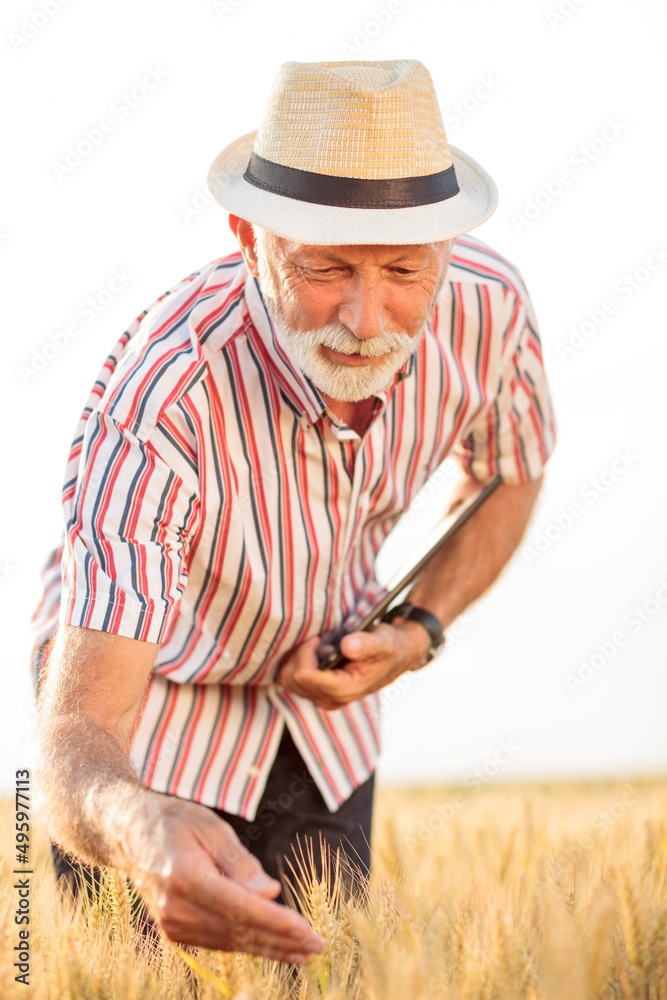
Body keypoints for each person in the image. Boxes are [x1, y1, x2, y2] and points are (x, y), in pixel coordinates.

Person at [31, 59, 557, 963]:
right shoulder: (160, 395)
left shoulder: (490, 308)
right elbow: (79, 727)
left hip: (326, 736)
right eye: (323, 268)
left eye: (403, 268)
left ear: (449, 244)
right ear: (249, 235)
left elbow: (511, 472)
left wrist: (422, 626)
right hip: (152, 735)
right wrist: (133, 822)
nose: (365, 318)